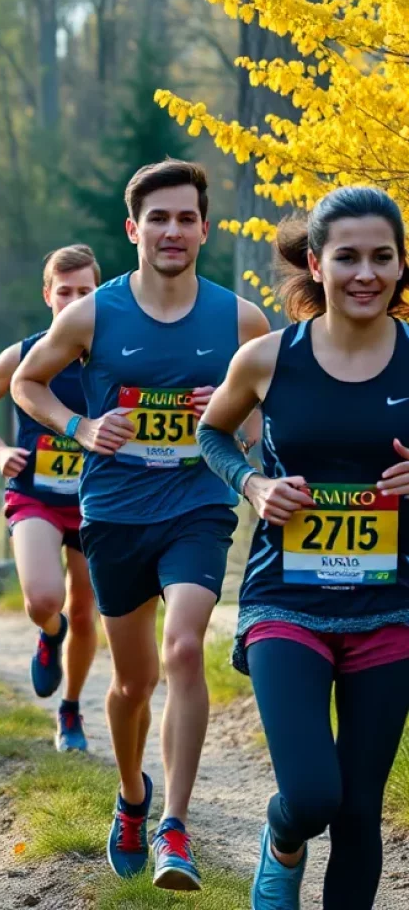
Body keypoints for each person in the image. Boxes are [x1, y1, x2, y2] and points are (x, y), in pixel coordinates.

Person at [11, 159, 269, 891]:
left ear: (205, 229)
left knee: (185, 649)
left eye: (186, 217)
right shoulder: (93, 314)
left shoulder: (239, 319)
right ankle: (132, 796)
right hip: (117, 512)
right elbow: (28, 384)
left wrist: (230, 422)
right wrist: (82, 425)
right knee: (133, 682)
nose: (172, 231)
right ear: (133, 229)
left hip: (197, 506)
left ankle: (174, 828)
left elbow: (264, 410)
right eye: (158, 218)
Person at [197, 186, 409, 910]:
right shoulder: (267, 358)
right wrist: (252, 485)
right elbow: (212, 434)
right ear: (316, 264)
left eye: (382, 257)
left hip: (392, 608)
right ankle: (283, 839)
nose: (365, 274)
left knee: (357, 811)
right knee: (315, 795)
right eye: (347, 257)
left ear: (401, 265)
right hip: (285, 602)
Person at [0, 244, 100, 753]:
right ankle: (50, 632)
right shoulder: (22, 354)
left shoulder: (113, 358)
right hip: (35, 496)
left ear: (99, 296)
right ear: (48, 295)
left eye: (84, 292)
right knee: (45, 599)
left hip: (95, 500)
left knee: (88, 609)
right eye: (64, 291)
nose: (73, 300)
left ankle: (70, 711)